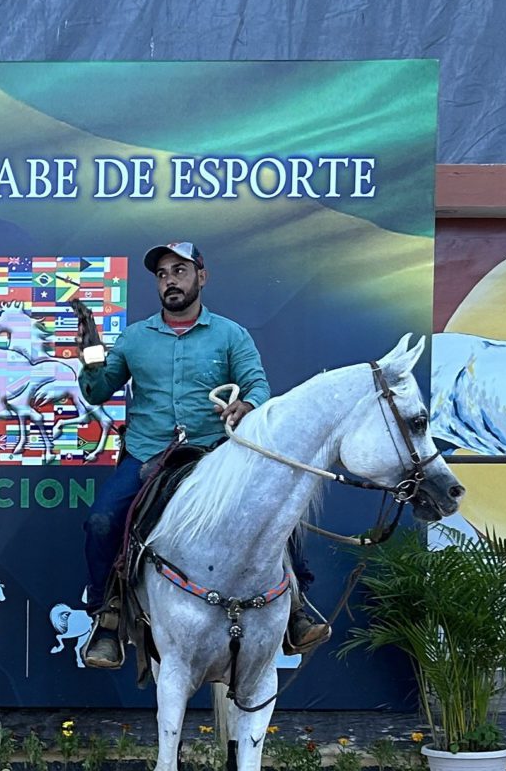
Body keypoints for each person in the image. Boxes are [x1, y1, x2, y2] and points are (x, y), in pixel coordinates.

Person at [76, 240, 327, 670]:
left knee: (276, 512)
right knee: (100, 521)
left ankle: (298, 608)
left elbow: (258, 387)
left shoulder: (231, 334)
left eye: (180, 271)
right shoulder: (135, 337)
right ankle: (107, 618)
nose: (170, 280)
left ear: (201, 277)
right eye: (162, 274)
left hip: (215, 456)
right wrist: (90, 352)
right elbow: (97, 390)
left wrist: (246, 405)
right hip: (149, 454)